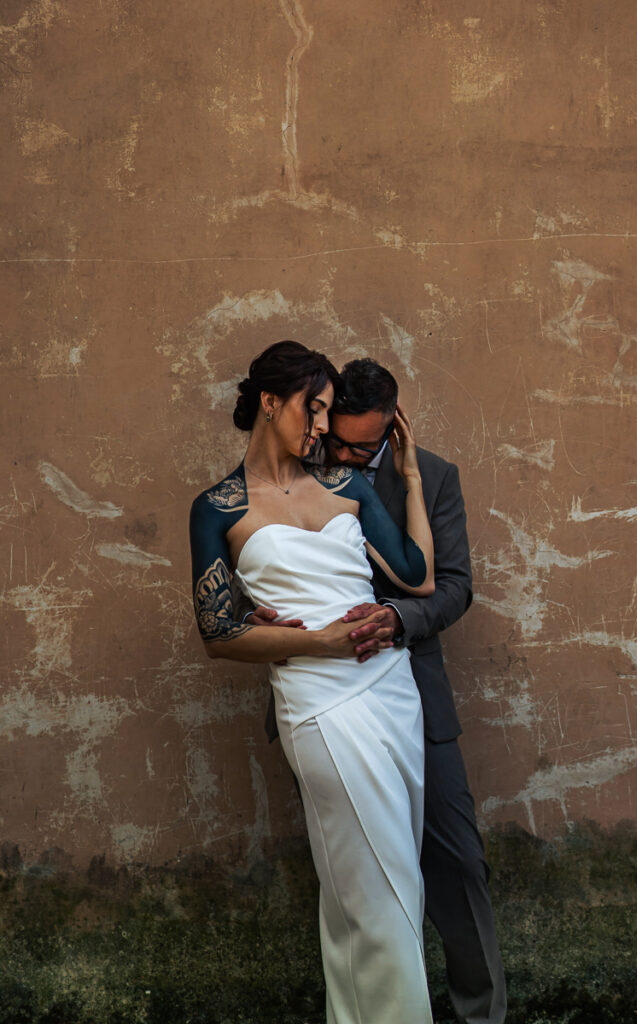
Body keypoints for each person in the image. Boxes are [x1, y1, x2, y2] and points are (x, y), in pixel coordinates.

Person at [249, 358, 507, 1024]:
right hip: (324, 703)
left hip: (412, 695)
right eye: (334, 438)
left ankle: (479, 1017)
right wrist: (254, 613)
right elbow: (251, 562)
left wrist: (397, 619)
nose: (339, 454)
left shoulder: (435, 477)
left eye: (361, 447)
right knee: (355, 880)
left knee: (456, 865)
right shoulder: (288, 467)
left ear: (393, 428)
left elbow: (452, 585)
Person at [189, 341, 437, 1023]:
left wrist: (410, 478)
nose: (322, 427)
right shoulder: (216, 508)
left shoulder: (347, 487)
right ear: (269, 403)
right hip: (318, 703)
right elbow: (217, 634)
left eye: (327, 412)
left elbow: (415, 574)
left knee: (371, 883)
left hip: (390, 691)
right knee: (380, 883)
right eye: (313, 408)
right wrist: (317, 640)